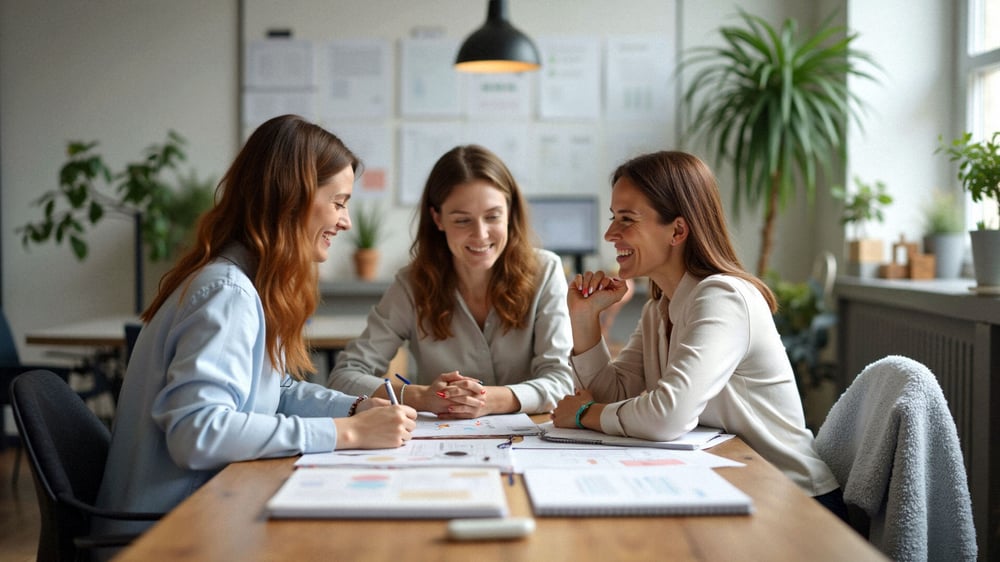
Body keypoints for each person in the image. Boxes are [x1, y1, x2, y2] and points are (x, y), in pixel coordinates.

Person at [95, 114, 417, 534]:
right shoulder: (228, 292)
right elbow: (198, 432)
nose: (346, 221)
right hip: (167, 534)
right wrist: (348, 433)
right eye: (338, 202)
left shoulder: (244, 282)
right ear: (292, 198)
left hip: (198, 514)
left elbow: (273, 392)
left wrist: (355, 408)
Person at [551, 151, 845, 516]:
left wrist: (585, 415)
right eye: (613, 218)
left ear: (677, 230)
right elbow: (616, 393)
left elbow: (666, 415)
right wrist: (584, 318)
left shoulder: (723, 298)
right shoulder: (659, 308)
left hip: (795, 501)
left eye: (626, 219)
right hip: (728, 488)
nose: (611, 233)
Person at [327, 144, 574, 418]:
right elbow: (344, 376)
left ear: (510, 212)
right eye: (462, 221)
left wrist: (494, 400)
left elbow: (562, 382)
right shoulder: (412, 284)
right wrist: (420, 396)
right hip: (442, 444)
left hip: (529, 444)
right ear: (438, 219)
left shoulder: (546, 271)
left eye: (493, 216)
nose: (480, 234)